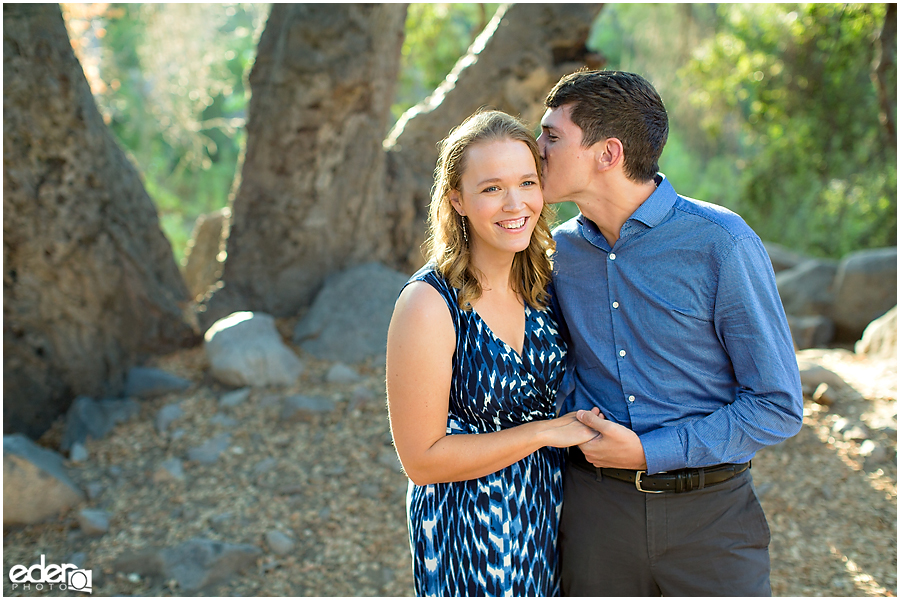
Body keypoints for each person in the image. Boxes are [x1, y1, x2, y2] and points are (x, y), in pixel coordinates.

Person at [536, 70, 804, 596]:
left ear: (607, 153)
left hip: (712, 521)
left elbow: (777, 404)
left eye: (551, 136)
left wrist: (649, 452)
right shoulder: (557, 252)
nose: (536, 148)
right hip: (594, 514)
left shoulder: (720, 243)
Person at [386, 109, 599, 597]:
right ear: (457, 200)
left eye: (527, 182)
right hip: (472, 537)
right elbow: (422, 460)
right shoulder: (429, 303)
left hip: (550, 522)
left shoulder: (547, 285)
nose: (514, 203)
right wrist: (545, 432)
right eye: (491, 188)